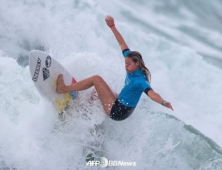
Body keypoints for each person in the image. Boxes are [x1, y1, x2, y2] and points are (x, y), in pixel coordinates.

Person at [56, 15, 174, 121]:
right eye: (125, 63)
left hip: (118, 111)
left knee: (96, 79)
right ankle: (85, 113)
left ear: (137, 63)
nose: (126, 66)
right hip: (122, 104)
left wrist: (163, 102)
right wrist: (112, 26)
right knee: (96, 92)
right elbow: (122, 44)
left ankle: (64, 89)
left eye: (129, 64)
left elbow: (152, 94)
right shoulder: (131, 61)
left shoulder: (140, 81)